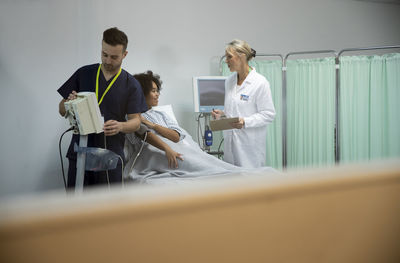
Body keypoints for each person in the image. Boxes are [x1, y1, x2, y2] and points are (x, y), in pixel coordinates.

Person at [124, 71, 277, 184]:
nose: (157, 94)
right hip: (156, 155)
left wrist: (153, 125)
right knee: (201, 167)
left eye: (158, 90)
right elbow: (145, 136)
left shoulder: (161, 115)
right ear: (141, 93)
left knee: (207, 162)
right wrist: (166, 148)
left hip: (178, 148)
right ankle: (241, 176)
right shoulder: (132, 118)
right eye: (153, 91)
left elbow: (176, 136)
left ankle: (243, 174)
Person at [57, 27, 147, 188]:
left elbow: (136, 123)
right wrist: (69, 104)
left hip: (110, 156)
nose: (107, 61)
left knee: (107, 209)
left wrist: (120, 126)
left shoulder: (131, 84)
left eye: (114, 57)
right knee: (75, 207)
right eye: (104, 55)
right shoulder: (84, 73)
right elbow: (61, 109)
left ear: (124, 55)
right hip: (80, 152)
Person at [212, 39, 276, 168]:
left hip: (250, 148)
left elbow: (269, 114)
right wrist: (222, 115)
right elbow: (235, 110)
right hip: (230, 145)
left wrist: (245, 122)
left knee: (251, 184)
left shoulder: (260, 82)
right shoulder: (229, 82)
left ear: (241, 57)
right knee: (233, 182)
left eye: (229, 57)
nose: (226, 60)